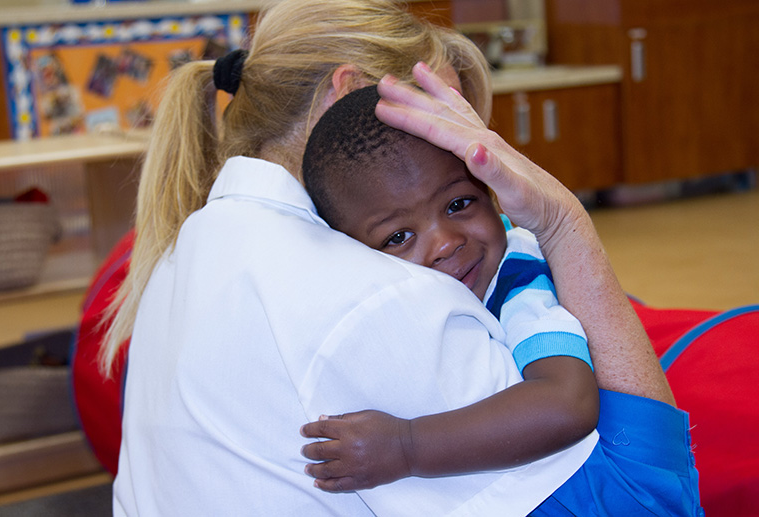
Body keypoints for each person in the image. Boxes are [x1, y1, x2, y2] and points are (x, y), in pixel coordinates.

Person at [102, 0, 695, 516]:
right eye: (447, 120)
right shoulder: (372, 293)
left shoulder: (185, 253)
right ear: (353, 96)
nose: (468, 149)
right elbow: (645, 499)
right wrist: (565, 224)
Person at [299, 85, 703, 515]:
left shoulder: (517, 276)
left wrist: (406, 445)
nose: (446, 243)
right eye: (399, 236)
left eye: (459, 203)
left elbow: (567, 403)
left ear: (492, 194)